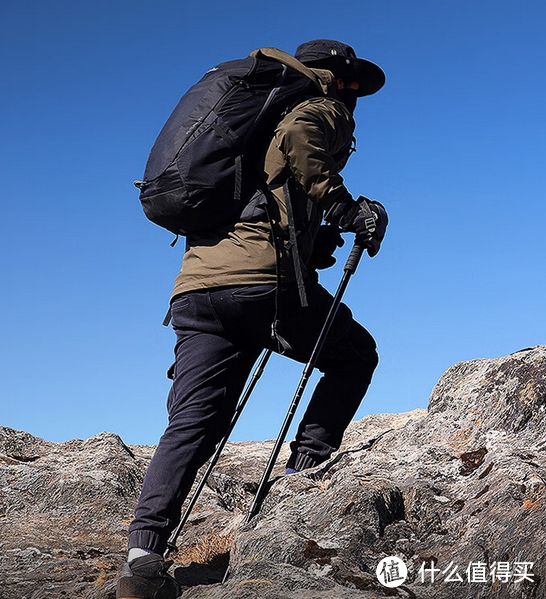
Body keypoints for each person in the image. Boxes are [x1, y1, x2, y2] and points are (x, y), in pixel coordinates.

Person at [116, 39, 387, 599]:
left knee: (193, 422)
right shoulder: (316, 104)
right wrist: (345, 206)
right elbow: (301, 143)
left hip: (197, 291)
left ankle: (143, 553)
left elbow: (267, 188)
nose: (356, 95)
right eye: (353, 82)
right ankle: (305, 471)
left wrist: (312, 234)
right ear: (336, 77)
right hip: (264, 287)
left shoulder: (249, 119)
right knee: (354, 355)